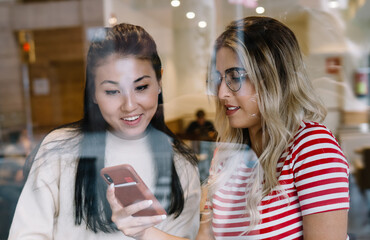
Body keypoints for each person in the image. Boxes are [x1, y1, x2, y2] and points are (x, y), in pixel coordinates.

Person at [9, 23, 200, 240]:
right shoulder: (60, 148)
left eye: (141, 87)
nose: (129, 105)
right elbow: (27, 234)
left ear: (159, 82)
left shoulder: (181, 163)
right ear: (93, 92)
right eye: (112, 91)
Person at [197, 16, 350, 240]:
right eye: (219, 79)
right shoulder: (228, 154)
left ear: (273, 79)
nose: (222, 93)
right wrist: (143, 230)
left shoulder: (313, 149)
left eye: (235, 77)